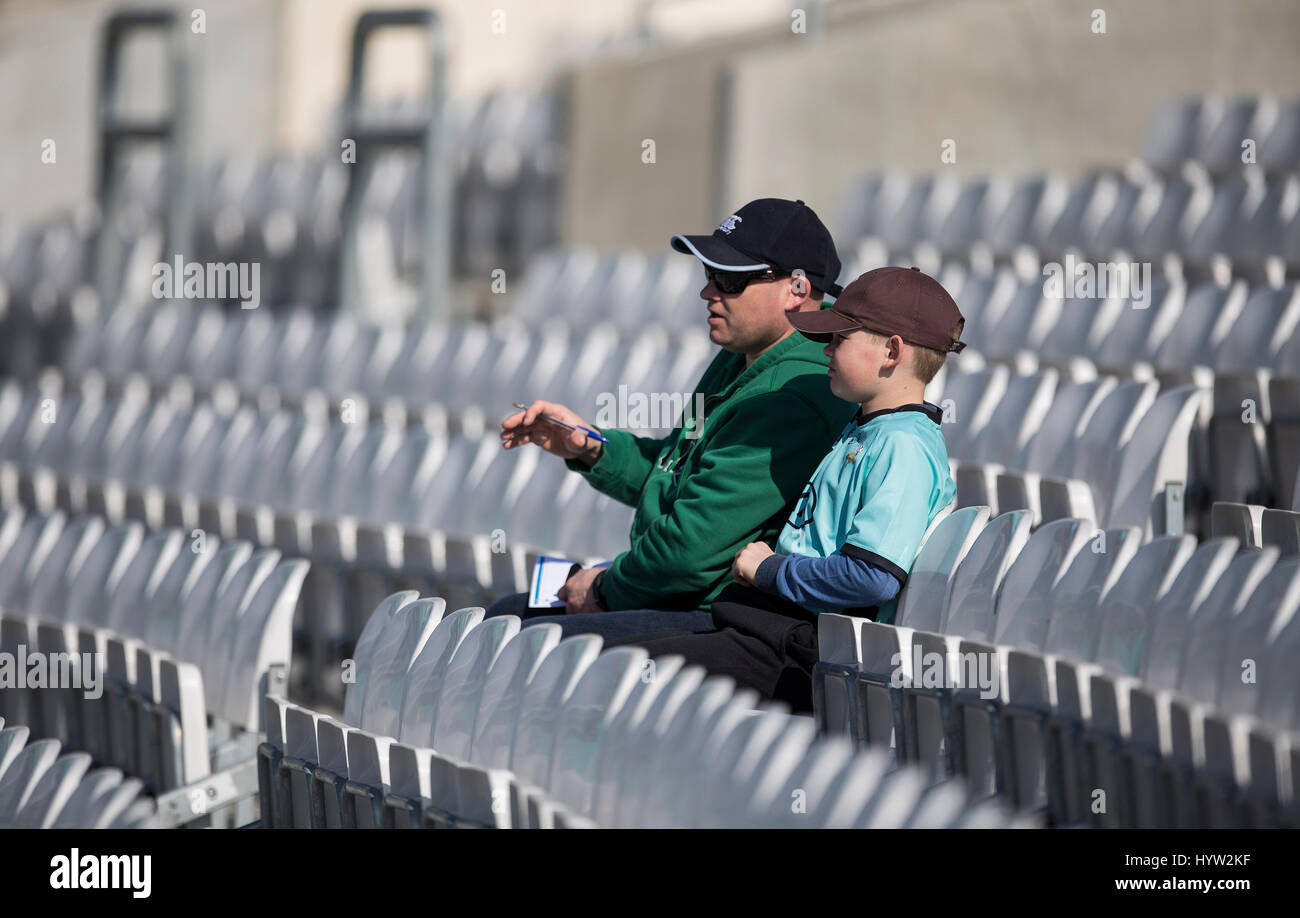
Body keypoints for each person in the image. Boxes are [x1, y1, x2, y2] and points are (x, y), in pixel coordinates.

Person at [485, 198, 858, 640]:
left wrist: (604, 589)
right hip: (689, 599)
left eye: (729, 279)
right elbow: (673, 474)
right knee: (508, 618)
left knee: (523, 634)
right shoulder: (741, 359)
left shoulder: (795, 392)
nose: (708, 292)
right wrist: (588, 446)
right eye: (708, 274)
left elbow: (689, 551)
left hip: (733, 620)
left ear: (797, 289)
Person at [605, 266, 965, 712]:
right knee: (601, 655)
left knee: (611, 670)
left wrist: (770, 570)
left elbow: (872, 578)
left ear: (891, 352)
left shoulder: (903, 445)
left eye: (840, 339)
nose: (826, 350)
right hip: (770, 629)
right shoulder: (869, 427)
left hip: (806, 654)